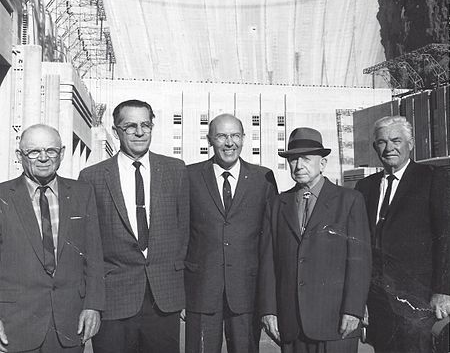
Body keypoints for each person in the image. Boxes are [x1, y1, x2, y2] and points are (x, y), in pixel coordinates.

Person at [79, 99, 189, 353]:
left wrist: (182, 291)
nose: (139, 132)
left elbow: (184, 232)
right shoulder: (93, 177)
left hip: (164, 298)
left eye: (145, 125)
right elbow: (89, 245)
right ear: (116, 129)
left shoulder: (175, 170)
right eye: (130, 126)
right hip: (114, 299)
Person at [260, 127, 371, 353]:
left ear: (322, 163)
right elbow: (268, 260)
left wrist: (353, 310)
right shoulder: (277, 204)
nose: (299, 165)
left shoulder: (349, 200)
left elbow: (360, 261)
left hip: (336, 321)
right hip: (291, 322)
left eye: (306, 159)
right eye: (293, 159)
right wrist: (268, 310)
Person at [0, 124, 104, 353]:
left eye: (51, 151)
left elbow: (94, 256)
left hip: (69, 323)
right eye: (34, 152)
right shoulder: (2, 196)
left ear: (62, 153)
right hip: (14, 325)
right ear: (19, 156)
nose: (44, 158)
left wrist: (93, 306)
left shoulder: (82, 193)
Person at [355, 115, 450, 353]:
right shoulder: (364, 188)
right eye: (382, 142)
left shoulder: (433, 178)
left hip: (419, 300)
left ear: (411, 143)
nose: (389, 148)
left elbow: (446, 236)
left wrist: (443, 290)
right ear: (375, 146)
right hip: (378, 301)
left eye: (396, 140)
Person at [185, 113, 277, 353]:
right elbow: (181, 233)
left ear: (244, 138)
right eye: (221, 136)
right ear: (209, 140)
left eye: (235, 135)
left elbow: (269, 241)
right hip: (201, 291)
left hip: (247, 292)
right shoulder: (189, 176)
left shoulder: (263, 178)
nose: (229, 143)